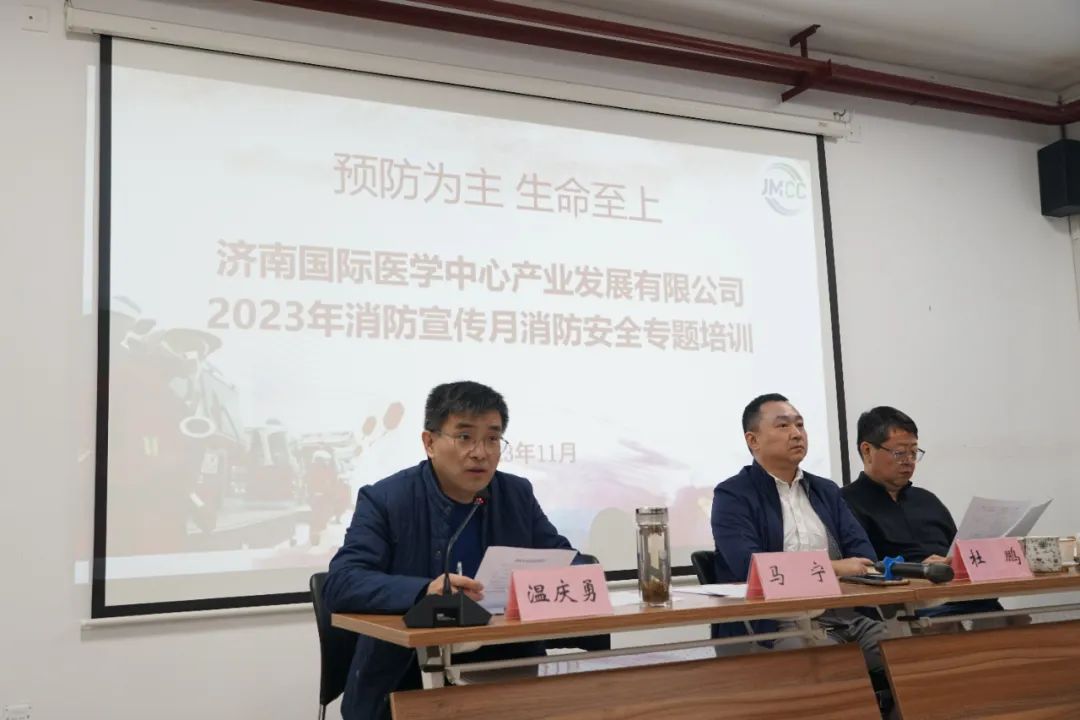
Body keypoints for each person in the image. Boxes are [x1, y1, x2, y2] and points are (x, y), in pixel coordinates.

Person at [322, 381, 579, 720]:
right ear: (429, 442)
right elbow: (341, 583)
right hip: (405, 682)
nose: (480, 452)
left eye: (492, 438)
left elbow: (567, 561)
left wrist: (568, 574)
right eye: (465, 437)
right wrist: (424, 591)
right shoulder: (386, 499)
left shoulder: (515, 494)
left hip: (506, 674)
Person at [710, 393, 890, 705]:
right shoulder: (733, 495)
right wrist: (833, 567)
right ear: (753, 440)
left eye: (800, 425)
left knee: (910, 653)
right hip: (775, 624)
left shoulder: (825, 490)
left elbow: (864, 557)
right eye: (783, 426)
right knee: (828, 664)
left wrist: (848, 568)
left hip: (845, 617)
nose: (796, 433)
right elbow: (754, 569)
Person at [842, 406, 1002, 620]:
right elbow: (862, 571)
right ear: (867, 451)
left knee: (1008, 618)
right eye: (900, 452)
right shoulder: (845, 503)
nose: (908, 460)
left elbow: (955, 550)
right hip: (905, 608)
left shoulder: (928, 501)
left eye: (914, 452)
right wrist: (918, 570)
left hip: (961, 595)